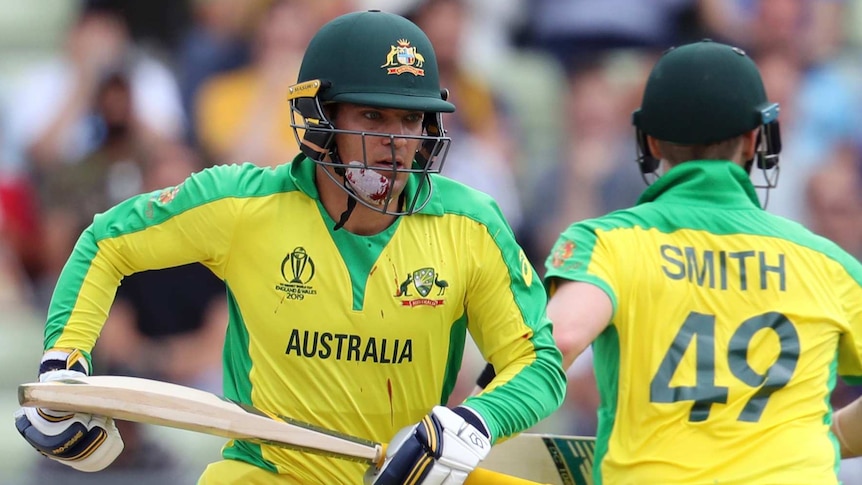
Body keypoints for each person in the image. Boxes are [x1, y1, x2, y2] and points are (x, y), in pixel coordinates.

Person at [13, 10, 566, 485]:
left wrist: (472, 422)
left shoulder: (471, 223)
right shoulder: (241, 203)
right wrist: (66, 357)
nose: (397, 143)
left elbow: (538, 362)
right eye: (372, 116)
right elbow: (107, 242)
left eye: (411, 119)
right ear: (321, 121)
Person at [541, 39, 862, 483]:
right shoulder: (830, 264)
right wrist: (836, 436)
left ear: (650, 141)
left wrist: (473, 421)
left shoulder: (607, 242)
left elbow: (559, 339)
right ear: (755, 140)